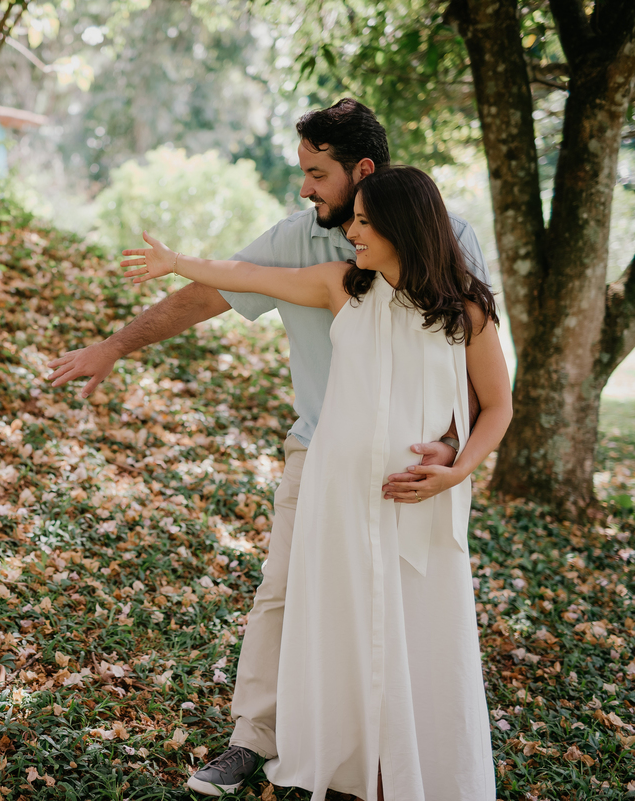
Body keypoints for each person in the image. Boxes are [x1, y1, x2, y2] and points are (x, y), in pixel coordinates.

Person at [47, 99, 492, 794]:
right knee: (285, 594)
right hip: (322, 451)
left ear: (362, 172)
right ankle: (254, 739)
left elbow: (479, 362)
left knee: (405, 609)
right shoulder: (308, 247)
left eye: (316, 173)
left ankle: (395, 749)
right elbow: (214, 289)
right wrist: (117, 344)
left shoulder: (449, 236)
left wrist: (451, 446)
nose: (305, 188)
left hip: (413, 466)